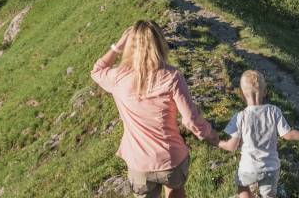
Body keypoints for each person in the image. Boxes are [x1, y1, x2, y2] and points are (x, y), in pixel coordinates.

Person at [91, 20, 219, 198]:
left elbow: (97, 71)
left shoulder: (118, 77)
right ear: (160, 43)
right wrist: (210, 135)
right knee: (176, 191)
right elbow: (190, 120)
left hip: (139, 163)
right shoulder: (172, 77)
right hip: (171, 158)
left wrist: (117, 46)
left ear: (130, 45)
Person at [218, 70, 299, 198]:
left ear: (242, 94)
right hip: (271, 168)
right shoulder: (274, 111)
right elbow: (289, 135)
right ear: (265, 92)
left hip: (248, 168)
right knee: (269, 195)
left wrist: (218, 142)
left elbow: (232, 146)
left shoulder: (240, 117)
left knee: (243, 189)